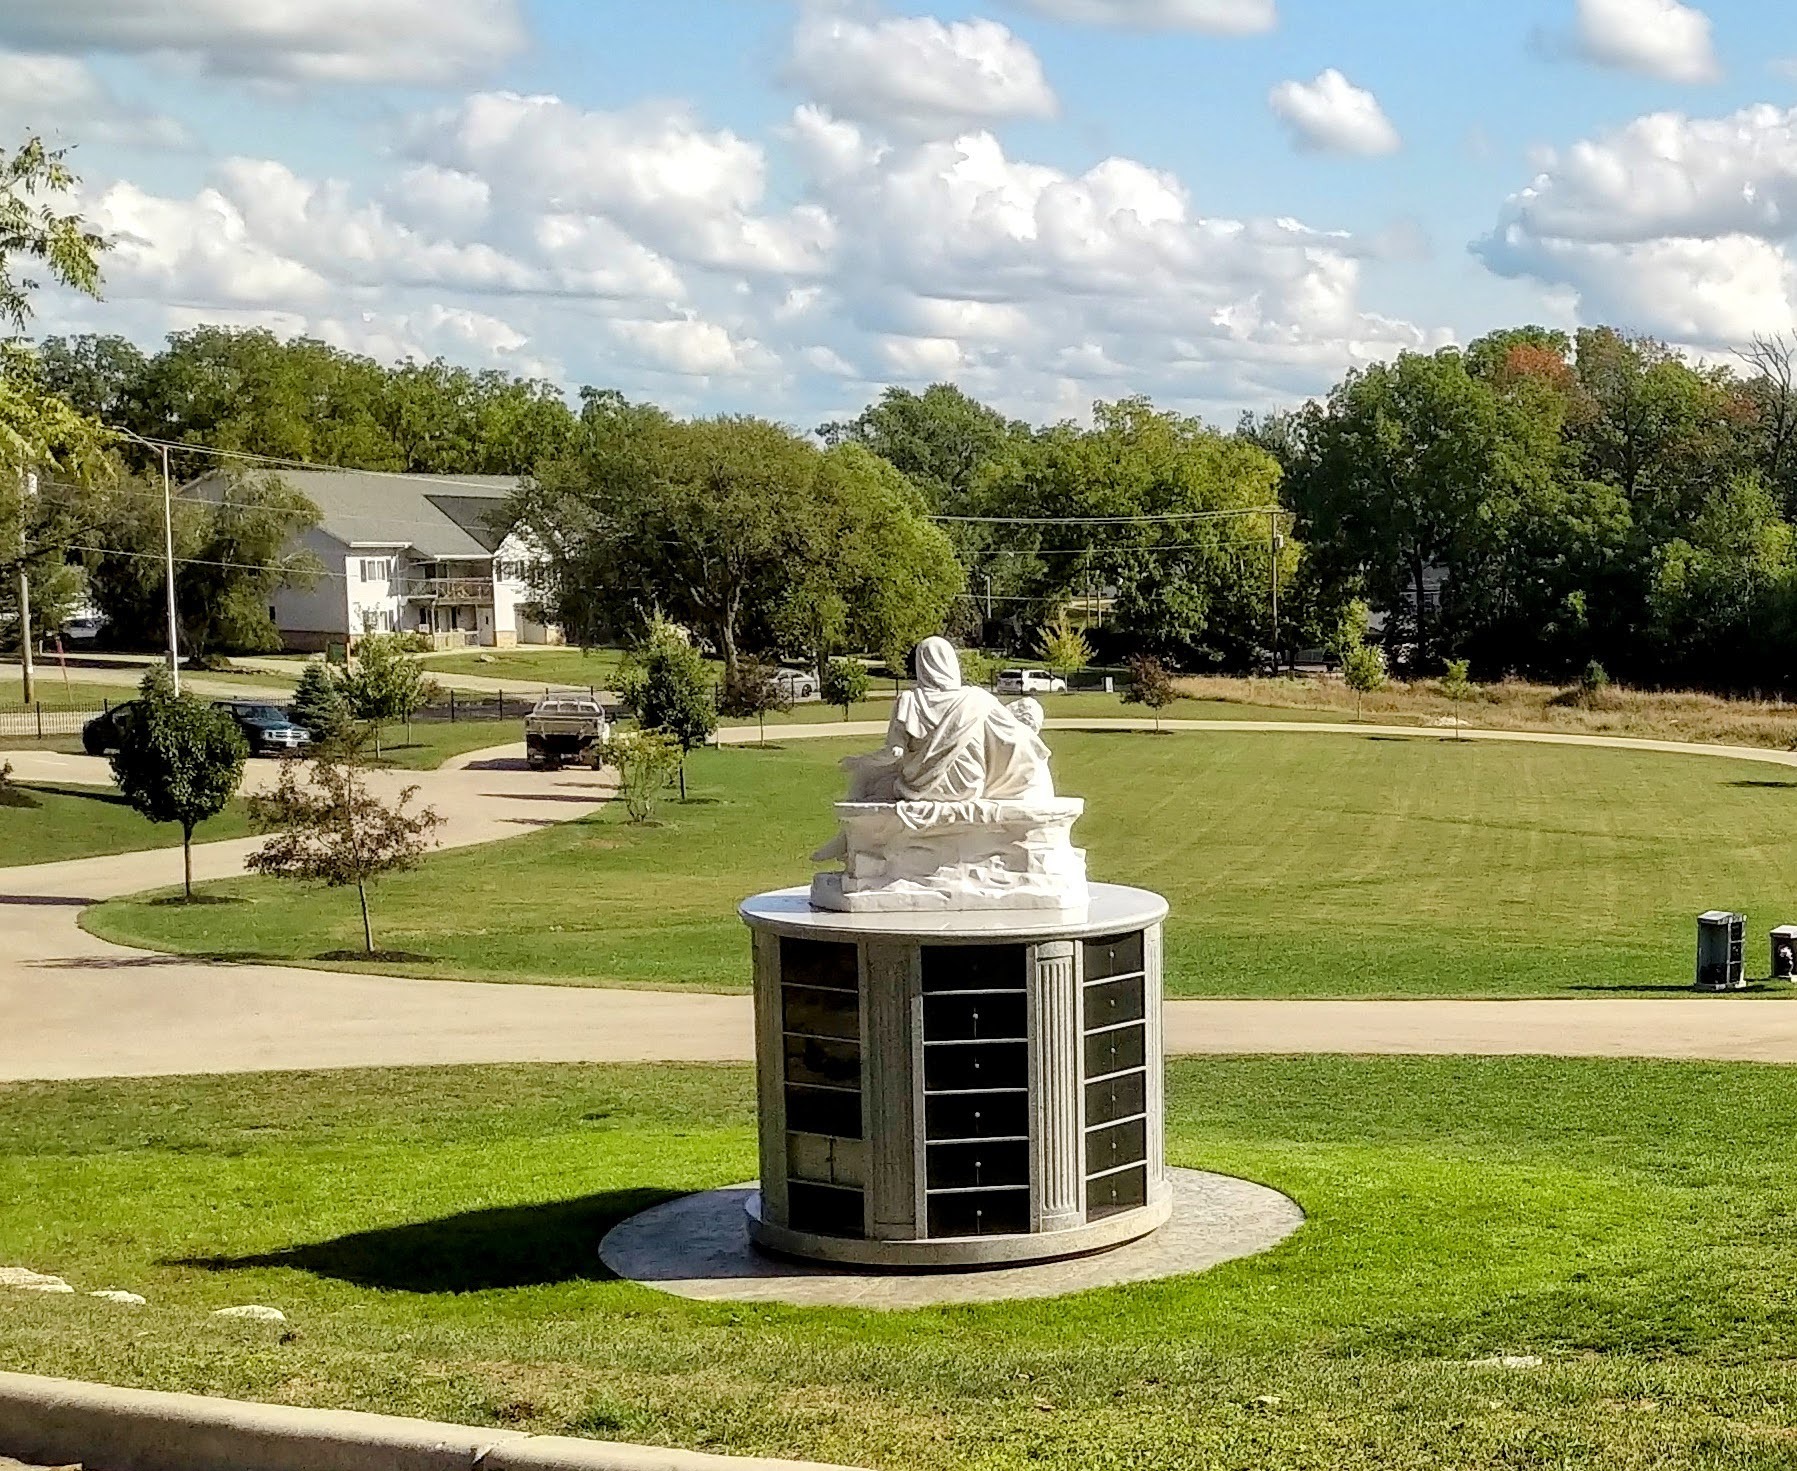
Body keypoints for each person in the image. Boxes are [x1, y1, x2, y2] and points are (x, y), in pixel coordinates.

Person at [842, 636, 1054, 803]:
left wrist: (860, 761)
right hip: (969, 787)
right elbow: (1012, 737)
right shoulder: (977, 700)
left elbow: (893, 753)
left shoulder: (908, 701)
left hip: (917, 789)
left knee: (865, 778)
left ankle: (847, 839)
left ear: (920, 665)